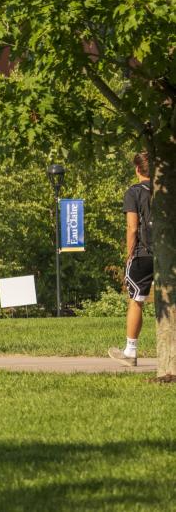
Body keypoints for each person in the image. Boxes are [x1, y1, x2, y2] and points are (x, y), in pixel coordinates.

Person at [110, 152, 155, 367]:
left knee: (137, 300)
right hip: (167, 252)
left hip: (143, 253)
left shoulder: (134, 192)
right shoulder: (166, 190)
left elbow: (132, 227)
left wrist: (129, 254)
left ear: (137, 169)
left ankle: (130, 351)